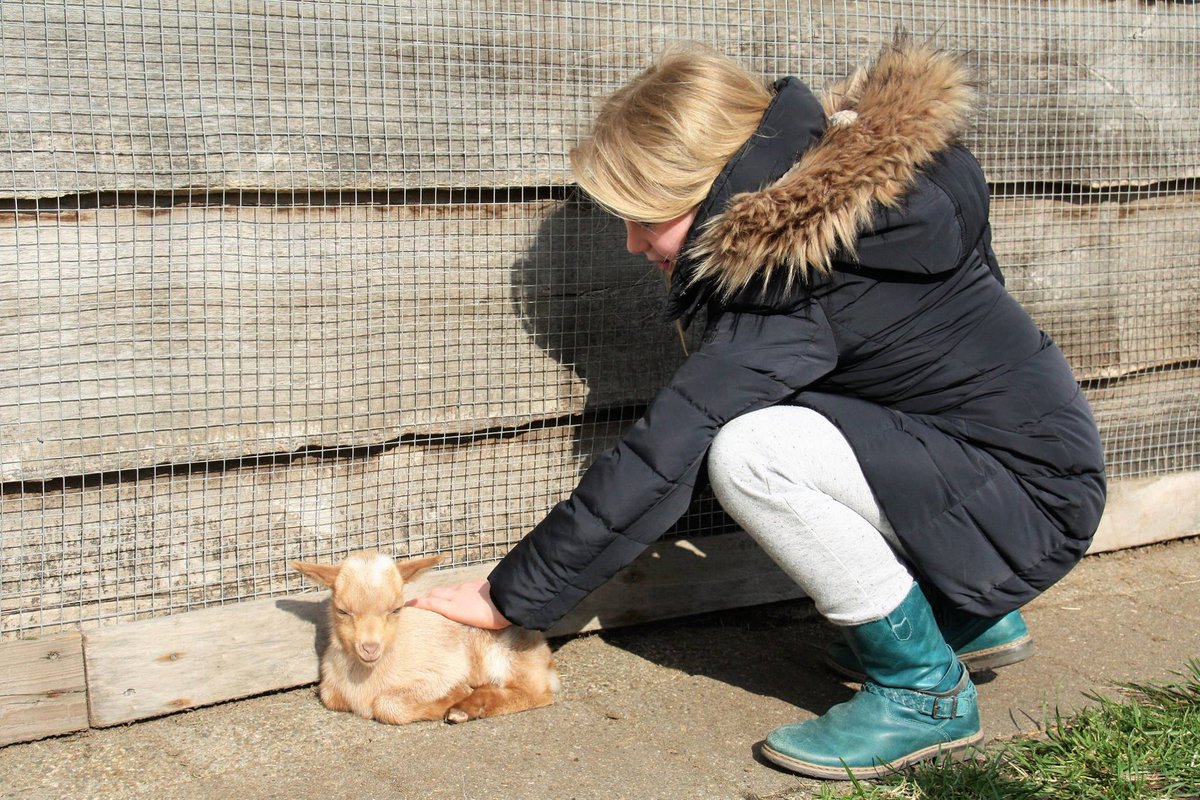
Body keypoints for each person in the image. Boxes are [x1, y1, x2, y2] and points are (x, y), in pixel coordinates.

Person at [407, 39, 1106, 780]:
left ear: (711, 188)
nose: (634, 242)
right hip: (1032, 467)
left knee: (751, 451)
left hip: (1024, 498)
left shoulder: (805, 275)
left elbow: (666, 446)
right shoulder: (878, 200)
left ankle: (922, 691)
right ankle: (963, 614)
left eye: (649, 216)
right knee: (783, 421)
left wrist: (506, 594)